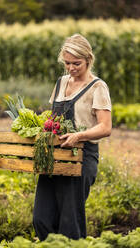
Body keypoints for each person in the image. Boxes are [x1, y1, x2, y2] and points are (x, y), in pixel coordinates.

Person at [33, 33, 112, 241]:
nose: (71, 68)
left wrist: (79, 135)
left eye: (76, 63)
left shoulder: (97, 87)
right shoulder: (60, 83)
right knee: (42, 218)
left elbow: (105, 127)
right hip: (54, 157)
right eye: (67, 63)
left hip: (82, 158)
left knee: (70, 222)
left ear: (88, 60)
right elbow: (52, 117)